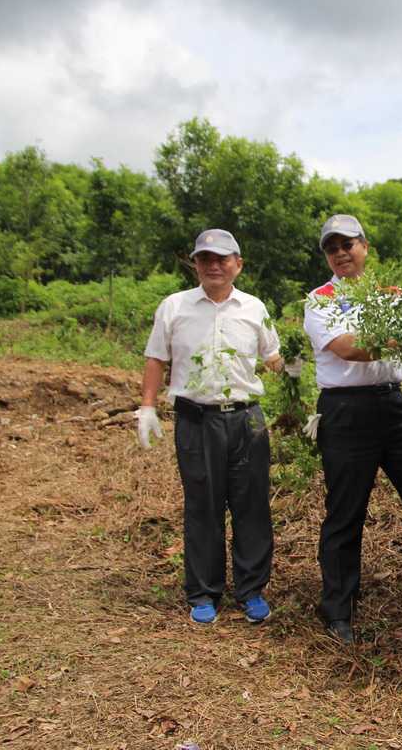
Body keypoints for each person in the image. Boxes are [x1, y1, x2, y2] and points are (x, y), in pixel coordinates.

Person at [302, 214, 402, 644]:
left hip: (394, 405)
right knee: (346, 512)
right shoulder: (320, 299)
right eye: (332, 247)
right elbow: (348, 348)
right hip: (345, 412)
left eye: (348, 244)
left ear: (365, 246)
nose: (341, 253)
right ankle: (338, 608)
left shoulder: (394, 294)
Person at [136, 228, 283, 625]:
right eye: (205, 259)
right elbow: (155, 358)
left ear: (238, 264)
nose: (214, 266)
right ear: (195, 264)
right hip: (196, 418)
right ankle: (203, 592)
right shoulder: (175, 306)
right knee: (203, 505)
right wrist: (147, 406)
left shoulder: (254, 308)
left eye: (222, 259)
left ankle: (251, 589)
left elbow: (274, 359)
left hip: (247, 417)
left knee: (251, 505)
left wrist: (300, 397)